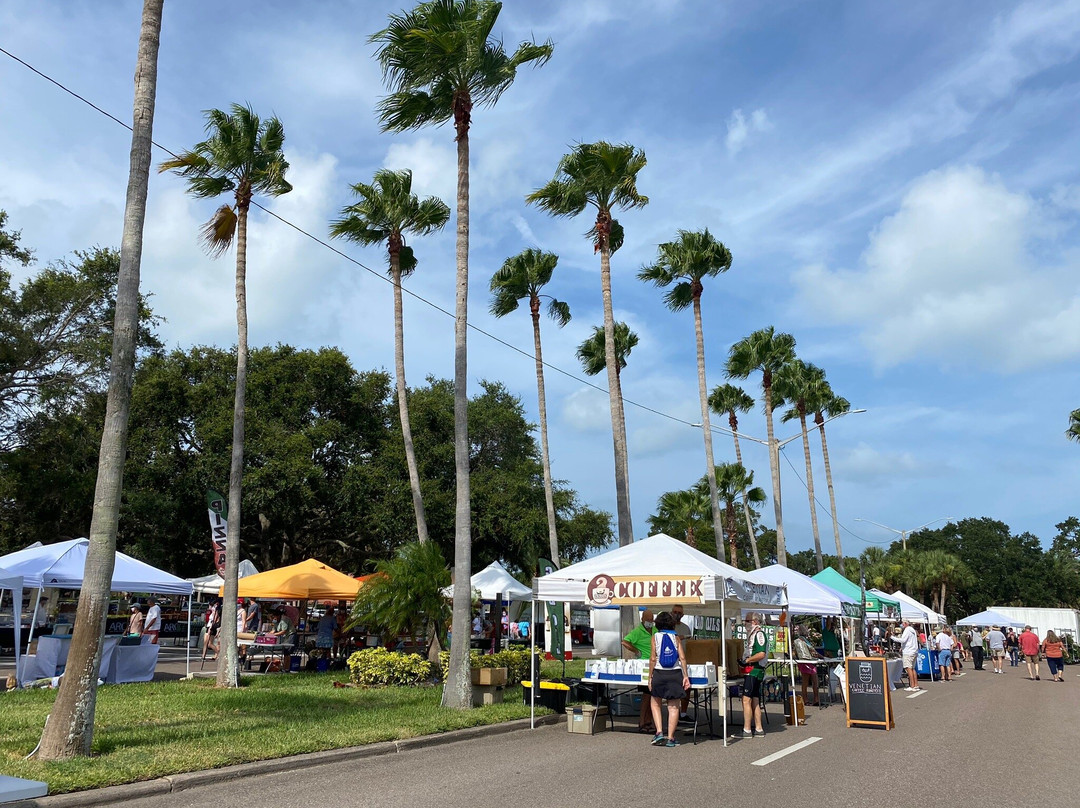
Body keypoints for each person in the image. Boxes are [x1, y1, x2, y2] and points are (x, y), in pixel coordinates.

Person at [647, 612, 690, 748]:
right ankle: (671, 738)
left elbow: (653, 658)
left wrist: (650, 677)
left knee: (655, 702)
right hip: (675, 673)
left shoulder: (655, 637)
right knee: (673, 706)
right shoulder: (676, 637)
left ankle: (659, 731)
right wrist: (685, 675)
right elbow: (682, 657)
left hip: (659, 672)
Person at [621, 609, 656, 734]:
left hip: (655, 664)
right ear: (642, 620)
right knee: (646, 696)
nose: (650, 622)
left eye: (652, 620)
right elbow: (625, 641)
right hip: (644, 666)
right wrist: (636, 651)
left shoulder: (655, 630)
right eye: (648, 620)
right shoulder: (638, 631)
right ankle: (642, 721)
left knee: (654, 695)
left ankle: (649, 721)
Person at [741, 612, 769, 738]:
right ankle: (758, 728)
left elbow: (761, 654)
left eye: (748, 621)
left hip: (754, 670)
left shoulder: (759, 634)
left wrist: (747, 660)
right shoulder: (752, 634)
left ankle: (747, 729)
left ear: (755, 622)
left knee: (746, 699)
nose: (745, 623)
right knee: (755, 699)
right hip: (752, 670)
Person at [671, 605, 693, 723]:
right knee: (674, 689)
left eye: (679, 612)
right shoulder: (668, 627)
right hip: (671, 663)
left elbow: (690, 644)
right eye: (675, 612)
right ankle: (674, 714)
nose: (677, 614)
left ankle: (683, 713)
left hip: (684, 661)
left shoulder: (686, 627)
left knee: (686, 688)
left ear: (683, 615)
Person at [793, 628, 822, 707]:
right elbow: (812, 650)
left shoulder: (795, 641)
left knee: (805, 682)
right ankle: (815, 699)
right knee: (814, 681)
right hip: (808, 661)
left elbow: (794, 652)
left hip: (802, 661)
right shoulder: (805, 640)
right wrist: (822, 657)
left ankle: (806, 699)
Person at [890, 619, 921, 691]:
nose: (902, 625)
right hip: (914, 650)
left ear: (905, 623)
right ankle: (915, 685)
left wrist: (892, 637)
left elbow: (903, 640)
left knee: (908, 668)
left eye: (902, 623)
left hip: (909, 651)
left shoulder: (907, 630)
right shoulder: (912, 630)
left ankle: (912, 685)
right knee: (912, 668)